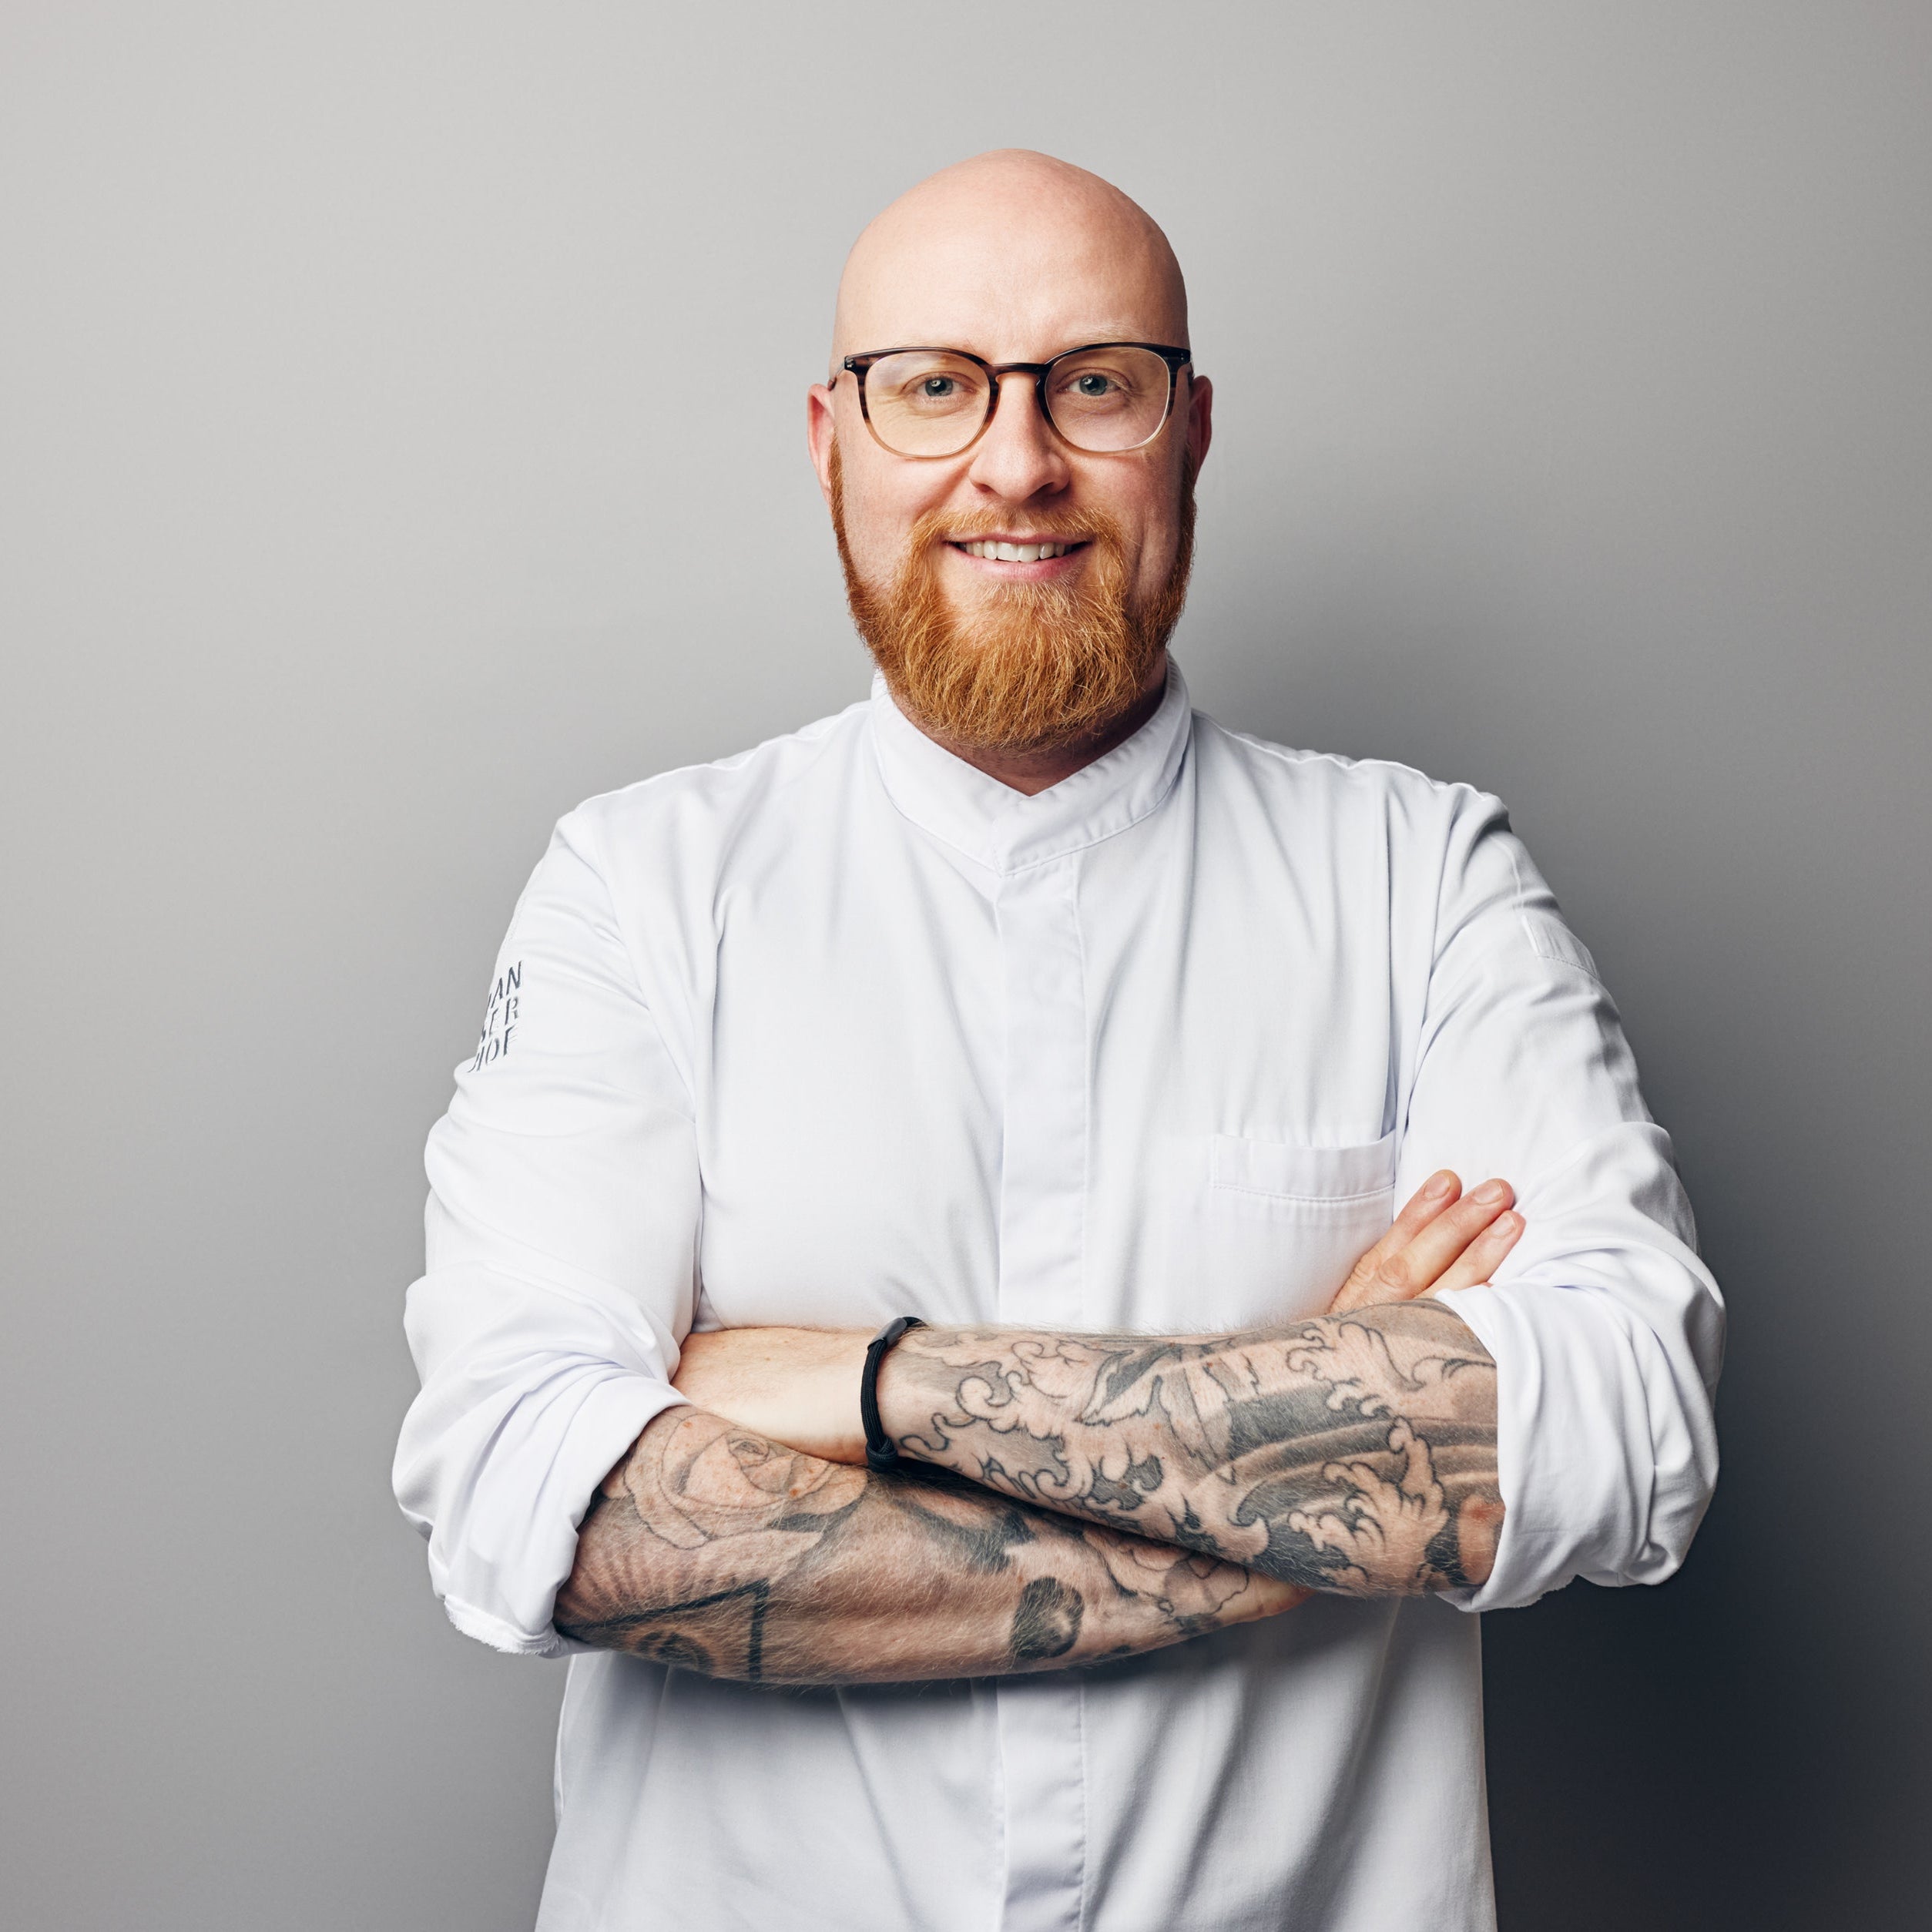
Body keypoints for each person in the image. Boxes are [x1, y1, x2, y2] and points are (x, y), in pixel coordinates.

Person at [394, 149, 1722, 1931]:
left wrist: (877, 1385)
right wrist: (1312, 1448)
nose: (1015, 463)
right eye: (935, 386)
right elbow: (540, 1501)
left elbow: (1619, 1430)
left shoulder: (1424, 879)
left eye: (1094, 385)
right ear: (832, 441)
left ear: (1190, 435)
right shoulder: (637, 888)